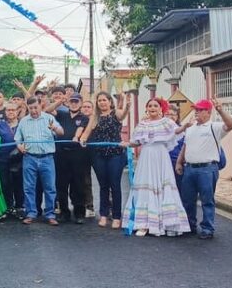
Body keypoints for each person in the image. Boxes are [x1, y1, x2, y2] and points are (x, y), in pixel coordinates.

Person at [120, 98, 189, 237]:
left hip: (161, 157)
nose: (152, 108)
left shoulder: (167, 122)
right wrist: (126, 143)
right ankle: (143, 224)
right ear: (146, 109)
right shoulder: (142, 125)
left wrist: (185, 126)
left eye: (155, 106)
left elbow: (177, 131)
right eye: (150, 105)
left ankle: (165, 222)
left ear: (161, 109)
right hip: (146, 156)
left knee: (163, 186)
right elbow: (136, 142)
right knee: (146, 186)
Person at [176, 98, 232, 239]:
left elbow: (230, 125)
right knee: (188, 199)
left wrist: (220, 110)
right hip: (190, 168)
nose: (196, 112)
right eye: (196, 109)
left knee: (207, 200)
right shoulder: (190, 128)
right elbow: (185, 146)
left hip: (207, 169)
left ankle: (207, 228)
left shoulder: (213, 127)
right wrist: (179, 162)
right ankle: (190, 225)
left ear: (208, 112)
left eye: (200, 109)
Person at [80, 92, 128, 229]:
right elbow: (87, 132)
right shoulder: (95, 117)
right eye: (99, 100)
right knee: (103, 186)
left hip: (115, 154)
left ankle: (117, 217)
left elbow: (123, 115)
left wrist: (127, 105)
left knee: (115, 185)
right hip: (99, 154)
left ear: (109, 102)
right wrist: (82, 139)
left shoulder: (116, 113)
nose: (102, 102)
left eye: (104, 100)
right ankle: (103, 215)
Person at [14, 97, 64, 226]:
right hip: (29, 158)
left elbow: (61, 132)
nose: (34, 110)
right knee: (28, 187)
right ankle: (31, 213)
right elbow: (17, 139)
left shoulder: (49, 118)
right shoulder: (23, 121)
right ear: (28, 107)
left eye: (36, 107)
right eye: (31, 108)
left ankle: (50, 215)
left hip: (47, 158)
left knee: (50, 188)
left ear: (40, 106)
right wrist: (20, 146)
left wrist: (54, 128)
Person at [53, 93, 89, 224]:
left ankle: (79, 213)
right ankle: (64, 212)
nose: (74, 103)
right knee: (61, 185)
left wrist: (76, 137)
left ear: (81, 103)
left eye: (76, 101)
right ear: (68, 103)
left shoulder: (84, 117)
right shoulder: (62, 114)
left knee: (78, 185)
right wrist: (60, 101)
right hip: (61, 154)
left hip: (77, 154)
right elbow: (47, 110)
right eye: (72, 101)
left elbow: (80, 129)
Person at [0, 103, 23, 218]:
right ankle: (7, 207)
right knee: (4, 183)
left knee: (19, 184)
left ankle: (20, 207)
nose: (10, 112)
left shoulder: (23, 124)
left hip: (19, 159)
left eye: (13, 110)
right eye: (8, 110)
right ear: (5, 112)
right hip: (2, 158)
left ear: (17, 111)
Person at [167, 105, 185, 199]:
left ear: (177, 117)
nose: (171, 117)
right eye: (168, 114)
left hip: (177, 163)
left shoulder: (182, 130)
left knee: (179, 189)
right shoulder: (160, 130)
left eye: (173, 114)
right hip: (164, 163)